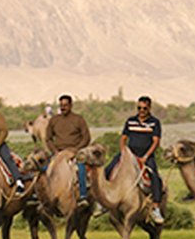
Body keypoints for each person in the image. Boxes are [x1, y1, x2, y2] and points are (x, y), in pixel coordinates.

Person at [105, 96, 165, 224]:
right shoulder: (130, 121)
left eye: (144, 108)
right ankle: (105, 201)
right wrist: (123, 152)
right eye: (139, 108)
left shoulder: (154, 122)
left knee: (155, 177)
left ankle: (156, 207)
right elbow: (123, 138)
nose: (141, 110)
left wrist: (146, 156)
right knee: (108, 169)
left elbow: (156, 142)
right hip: (130, 152)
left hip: (146, 155)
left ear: (149, 108)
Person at [44, 94, 92, 204]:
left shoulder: (78, 119)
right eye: (61, 105)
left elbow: (86, 137)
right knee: (44, 169)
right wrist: (55, 151)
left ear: (71, 105)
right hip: (58, 152)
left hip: (74, 152)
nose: (63, 107)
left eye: (65, 105)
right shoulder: (54, 120)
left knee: (81, 168)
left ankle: (83, 195)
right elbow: (48, 138)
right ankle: (41, 196)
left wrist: (76, 150)